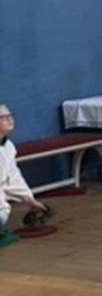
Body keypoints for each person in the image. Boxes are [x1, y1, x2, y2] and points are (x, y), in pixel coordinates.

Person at [0, 104, 49, 246]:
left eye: (10, 116)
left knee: (2, 214)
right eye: (3, 117)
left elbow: (13, 177)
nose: (10, 120)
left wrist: (30, 201)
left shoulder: (8, 146)